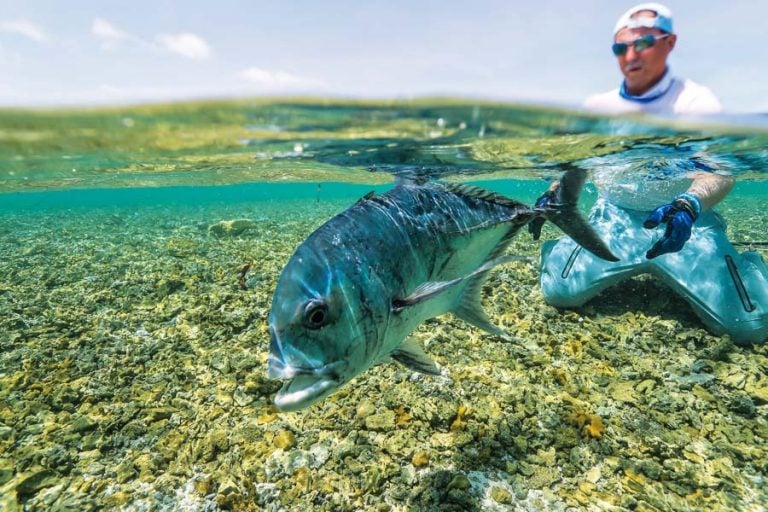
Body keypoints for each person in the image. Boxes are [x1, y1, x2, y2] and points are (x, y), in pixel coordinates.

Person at [531, 3, 768, 345]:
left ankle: (747, 266)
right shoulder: (598, 109)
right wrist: (554, 194)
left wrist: (689, 205)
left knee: (750, 325)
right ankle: (561, 248)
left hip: (687, 224)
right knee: (560, 292)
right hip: (613, 220)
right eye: (621, 47)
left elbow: (721, 172)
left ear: (669, 43)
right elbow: (578, 164)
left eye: (643, 43)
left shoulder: (697, 104)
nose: (630, 54)